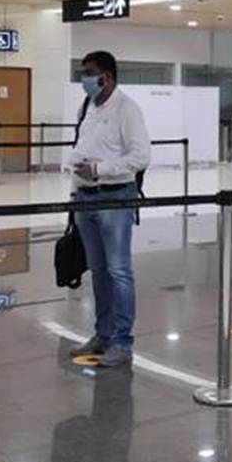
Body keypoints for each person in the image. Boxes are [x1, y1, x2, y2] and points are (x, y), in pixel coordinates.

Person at [64, 51, 151, 368]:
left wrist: (101, 170)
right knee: (98, 270)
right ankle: (103, 334)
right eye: (83, 72)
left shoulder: (127, 109)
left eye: (90, 73)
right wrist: (75, 182)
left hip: (115, 197)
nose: (84, 79)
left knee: (119, 270)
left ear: (107, 77)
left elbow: (141, 157)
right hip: (85, 198)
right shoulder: (86, 106)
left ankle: (123, 342)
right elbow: (82, 147)